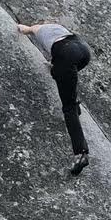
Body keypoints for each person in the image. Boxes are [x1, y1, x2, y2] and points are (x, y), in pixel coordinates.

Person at [17, 22, 92, 175]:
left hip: (66, 54)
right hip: (84, 51)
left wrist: (24, 28)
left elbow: (29, 29)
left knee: (68, 106)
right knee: (64, 77)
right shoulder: (58, 28)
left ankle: (81, 153)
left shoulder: (41, 30)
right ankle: (75, 104)